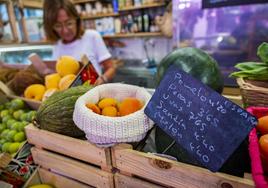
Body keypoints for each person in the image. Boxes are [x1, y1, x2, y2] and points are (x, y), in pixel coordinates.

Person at [43, 0, 116, 85]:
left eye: (69, 23)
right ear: (51, 27)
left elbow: (111, 68)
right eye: (58, 26)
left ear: (77, 20)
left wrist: (102, 79)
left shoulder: (92, 36)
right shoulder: (57, 45)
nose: (65, 31)